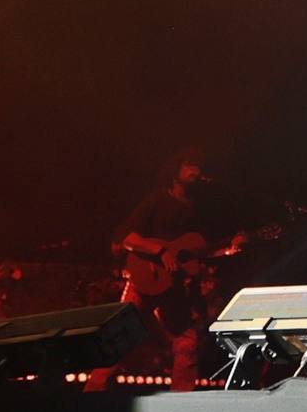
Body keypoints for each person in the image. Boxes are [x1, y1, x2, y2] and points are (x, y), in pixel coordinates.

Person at [93, 153, 242, 392]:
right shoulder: (157, 200)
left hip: (176, 287)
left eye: (198, 166)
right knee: (124, 336)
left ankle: (181, 403)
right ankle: (93, 391)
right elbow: (127, 238)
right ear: (175, 170)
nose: (196, 171)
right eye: (190, 165)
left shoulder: (196, 209)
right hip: (146, 278)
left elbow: (194, 249)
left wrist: (228, 247)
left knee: (187, 344)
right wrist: (160, 252)